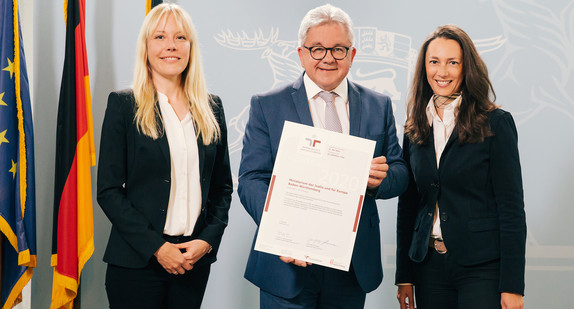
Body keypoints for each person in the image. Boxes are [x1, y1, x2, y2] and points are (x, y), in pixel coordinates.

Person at [238, 4, 409, 308]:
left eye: (338, 49)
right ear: (301, 53)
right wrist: (283, 231)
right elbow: (251, 180)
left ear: (352, 55)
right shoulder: (268, 105)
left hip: (351, 266)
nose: (328, 58)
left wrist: (378, 180)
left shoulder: (378, 105)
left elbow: (398, 171)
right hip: (287, 264)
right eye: (317, 49)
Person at [96, 4, 232, 309]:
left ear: (191, 48)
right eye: (159, 36)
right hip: (136, 264)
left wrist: (206, 241)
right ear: (146, 48)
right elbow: (108, 191)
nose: (171, 45)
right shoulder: (123, 105)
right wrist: (158, 248)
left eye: (180, 37)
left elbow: (223, 188)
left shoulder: (212, 108)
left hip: (192, 263)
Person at [395, 25, 526, 309]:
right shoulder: (414, 127)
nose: (442, 72)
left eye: (452, 62)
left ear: (467, 68)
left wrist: (513, 285)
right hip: (428, 267)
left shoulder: (496, 123)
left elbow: (511, 208)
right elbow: (409, 204)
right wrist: (404, 275)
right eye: (434, 62)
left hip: (482, 268)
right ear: (424, 67)